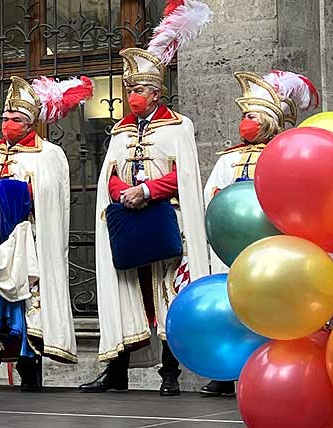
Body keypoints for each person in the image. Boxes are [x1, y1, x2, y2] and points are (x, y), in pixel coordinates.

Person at [81, 0, 213, 397]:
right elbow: (110, 177)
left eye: (139, 90)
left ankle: (169, 374)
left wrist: (148, 190)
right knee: (127, 295)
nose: (132, 95)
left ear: (156, 93)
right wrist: (125, 192)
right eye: (129, 89)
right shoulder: (120, 131)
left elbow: (185, 176)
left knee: (167, 296)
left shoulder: (179, 126)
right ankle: (116, 371)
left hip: (165, 222)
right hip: (129, 220)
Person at [0, 75, 93, 391]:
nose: (9, 123)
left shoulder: (49, 154)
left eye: (16, 119)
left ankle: (31, 371)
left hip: (27, 240)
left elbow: (48, 196)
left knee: (28, 305)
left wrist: (11, 192)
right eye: (5, 118)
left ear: (30, 122)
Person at [200, 70, 318, 396]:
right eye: (243, 116)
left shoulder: (282, 154)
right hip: (231, 246)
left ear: (268, 119)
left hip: (269, 241)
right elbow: (211, 194)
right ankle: (226, 371)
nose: (245, 122)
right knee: (231, 301)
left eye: (251, 115)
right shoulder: (229, 158)